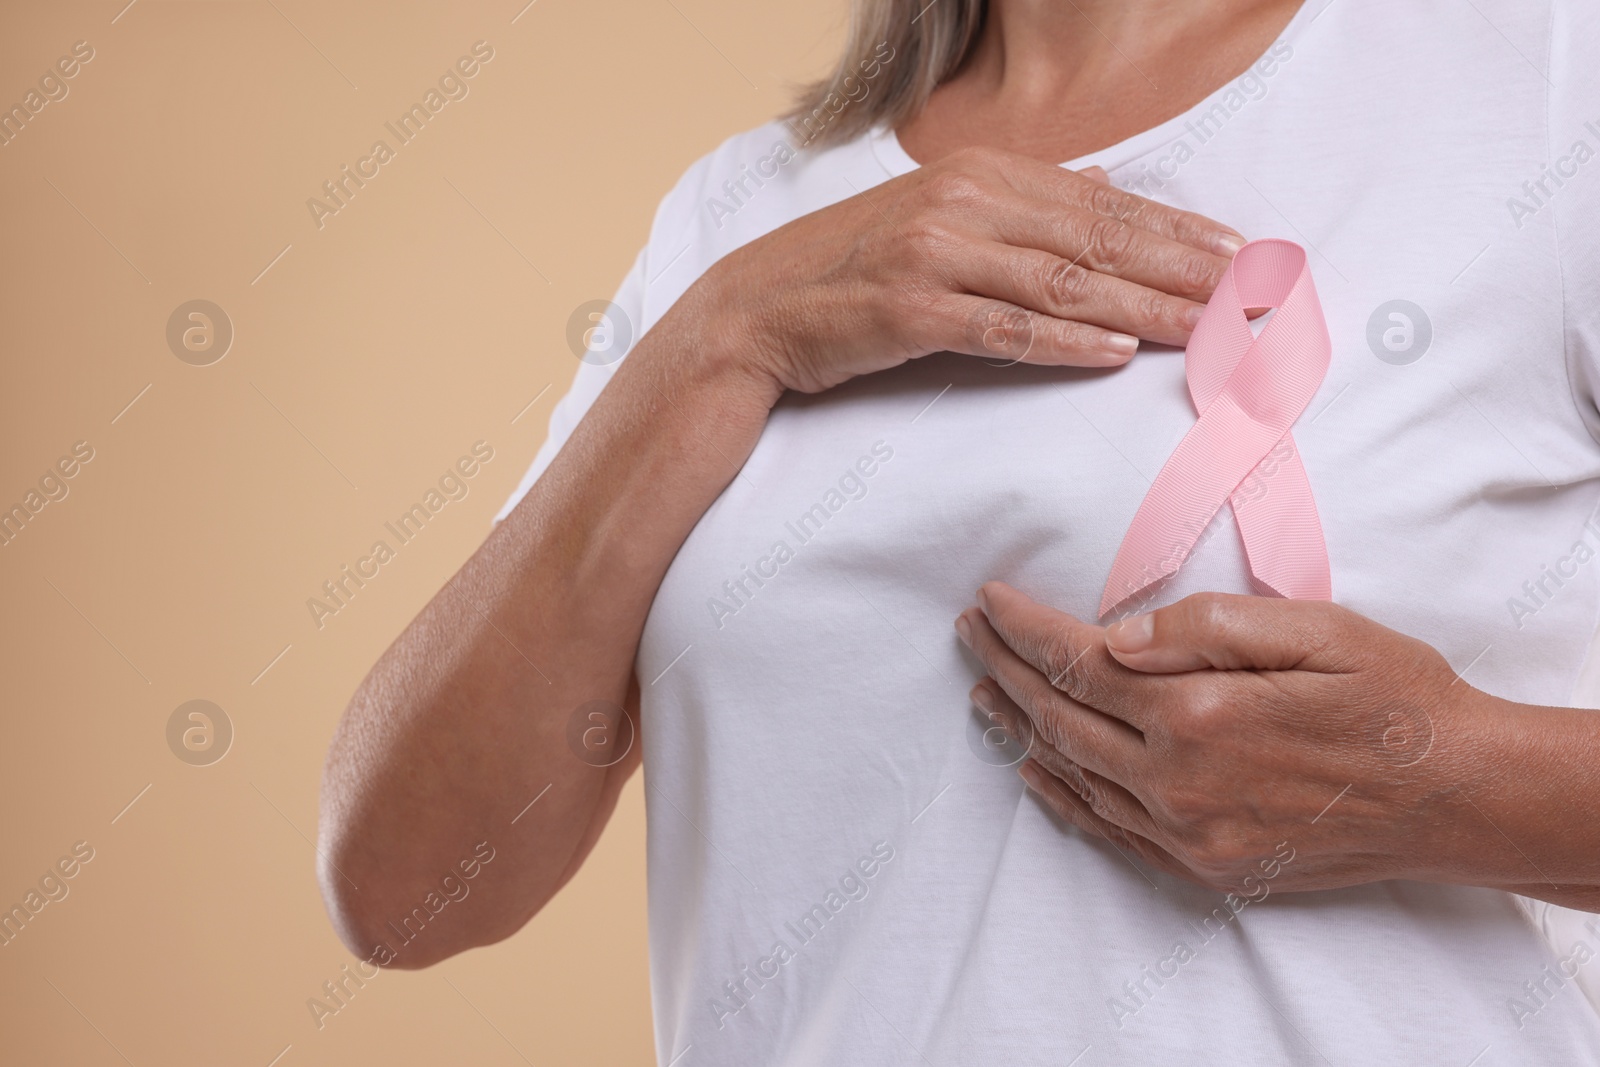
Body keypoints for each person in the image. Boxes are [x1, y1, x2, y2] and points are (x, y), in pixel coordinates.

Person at [316, 0, 1600, 1061]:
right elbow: (401, 886)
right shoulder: (742, 214)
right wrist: (727, 335)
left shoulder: (1544, 81)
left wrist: (1439, 778)